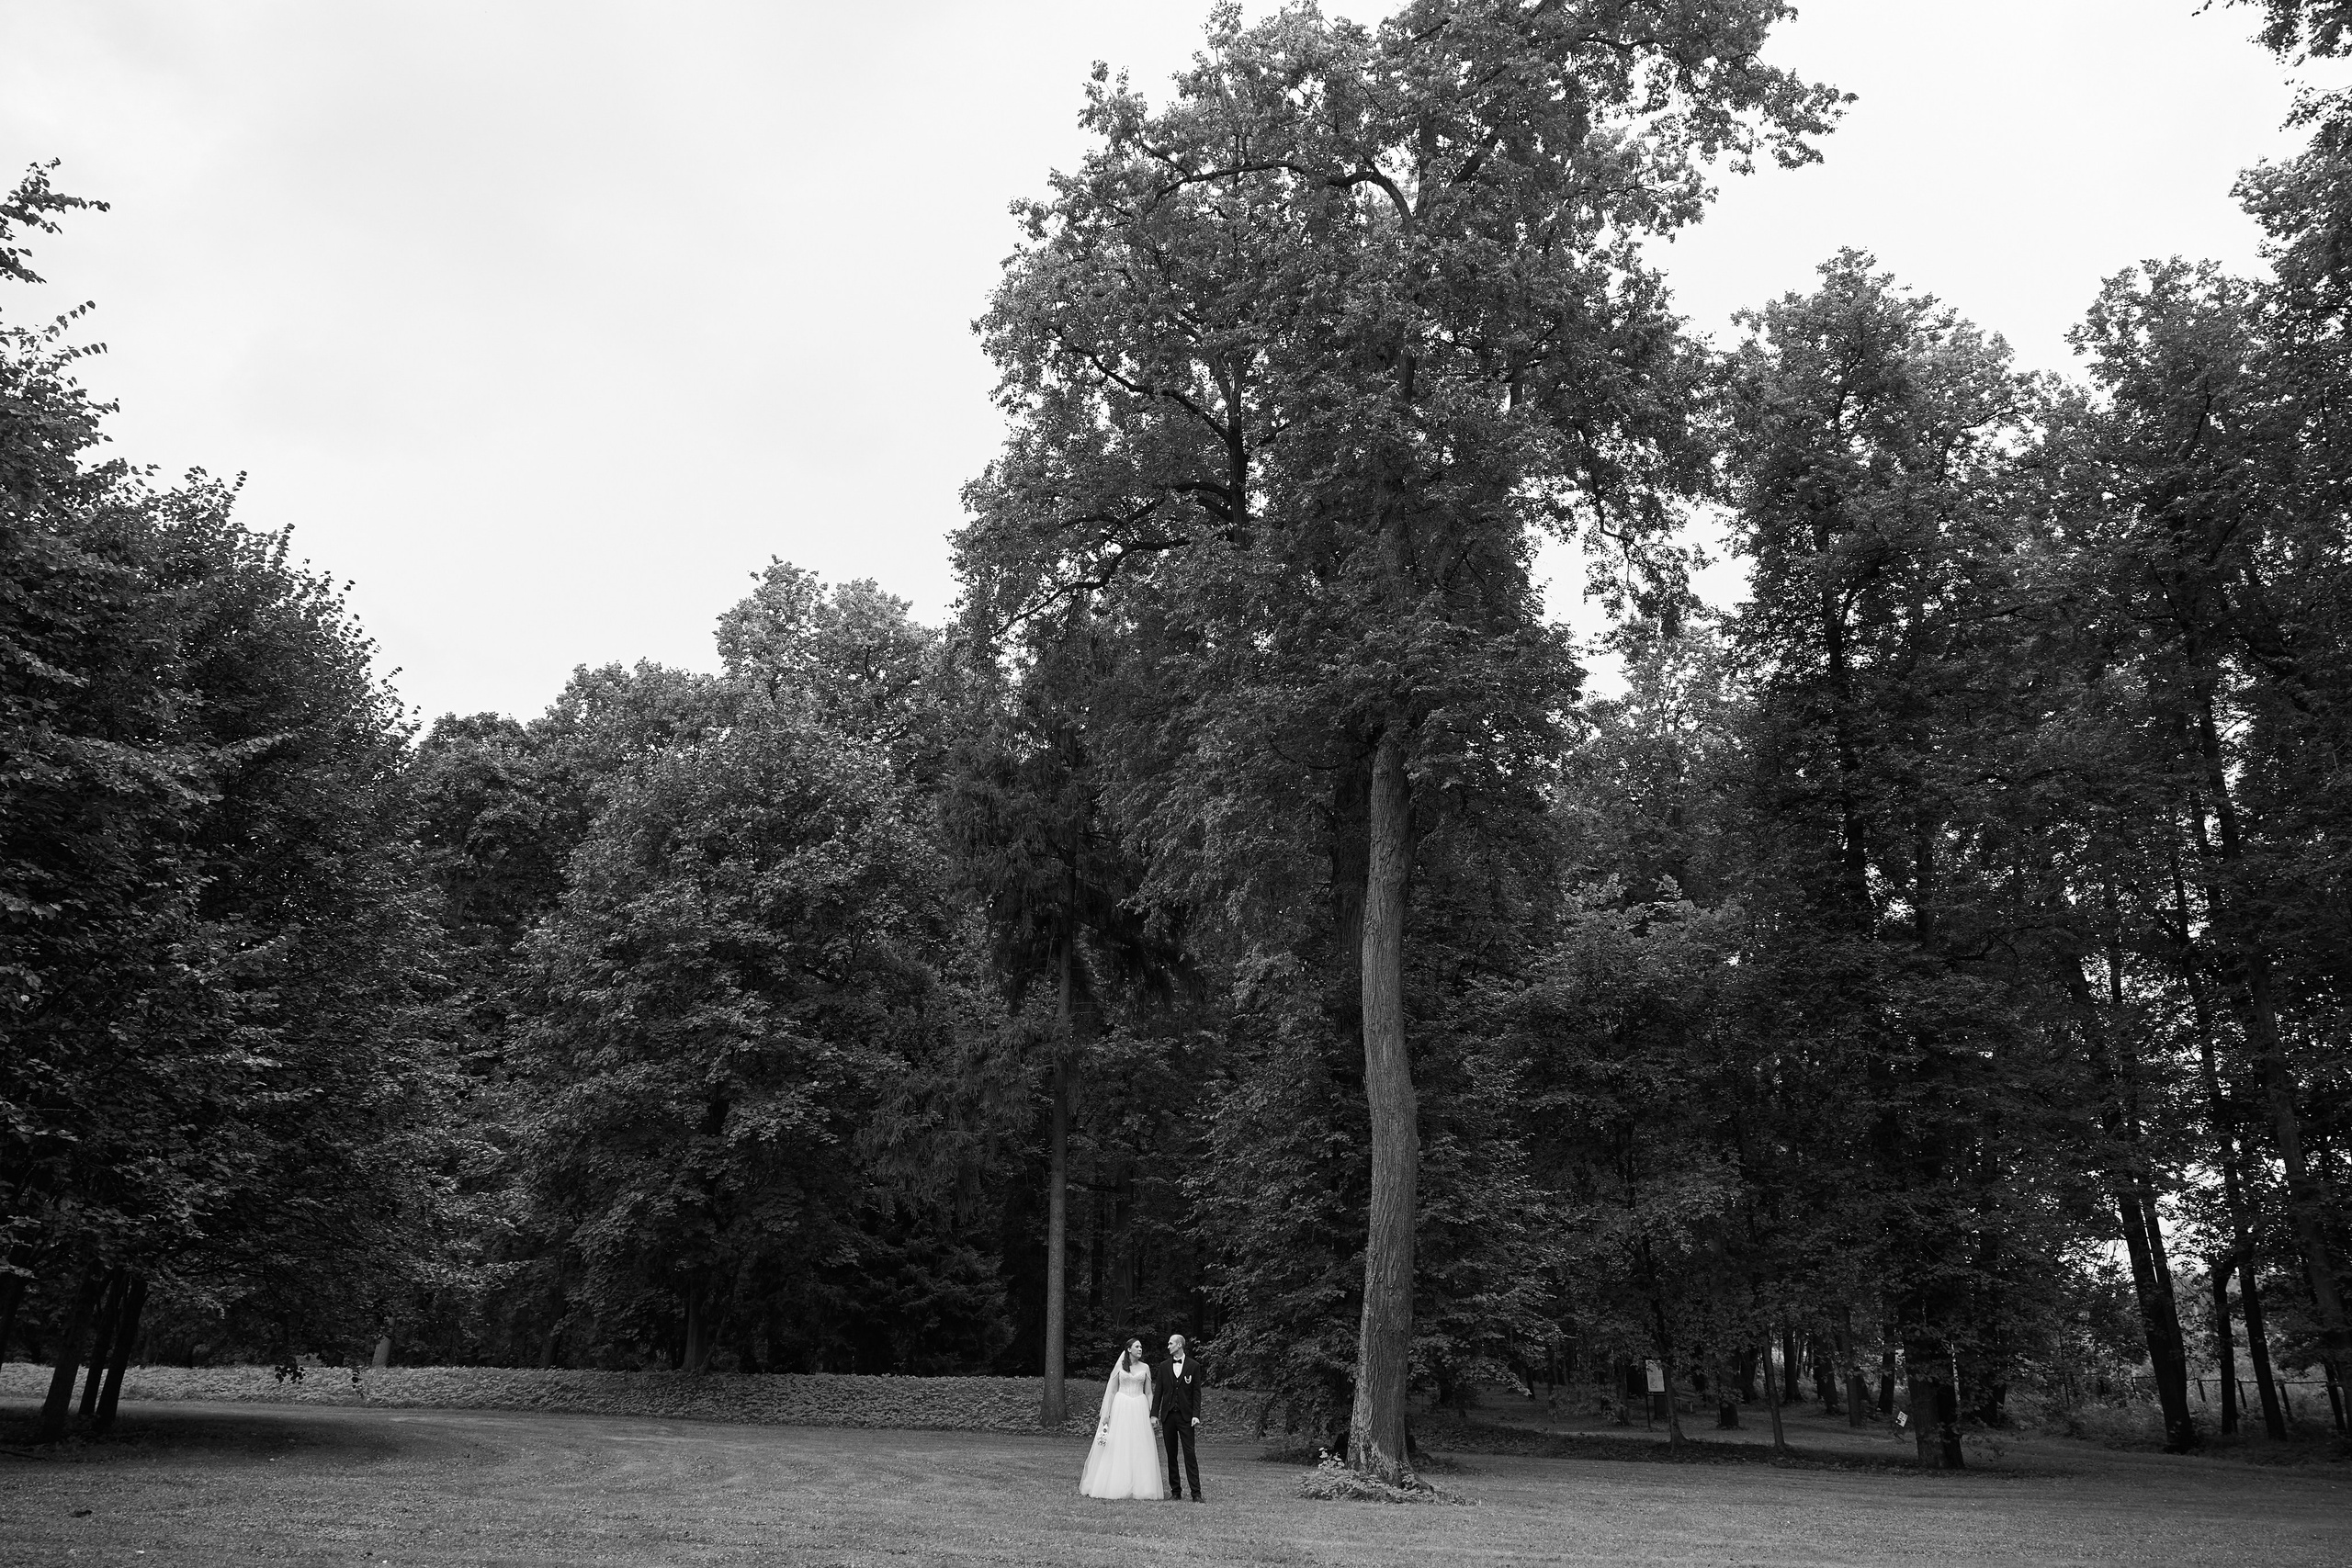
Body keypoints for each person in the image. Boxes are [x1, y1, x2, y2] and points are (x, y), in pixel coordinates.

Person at [1078, 1338, 1167, 1500]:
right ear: (1129, 1349)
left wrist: (1152, 1413)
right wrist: (1106, 1413)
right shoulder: (1119, 1367)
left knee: (1140, 1444)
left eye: (1141, 1346)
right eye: (1137, 1346)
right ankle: (1115, 1484)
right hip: (1121, 1406)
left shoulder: (1145, 1368)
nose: (1140, 1349)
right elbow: (1111, 1392)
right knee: (1119, 1443)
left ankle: (1142, 1486)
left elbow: (1149, 1393)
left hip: (1139, 1406)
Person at [1153, 1332, 1204, 1501]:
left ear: (1179, 1345)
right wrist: (1154, 1414)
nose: (1168, 1346)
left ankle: (1196, 1493)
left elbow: (1196, 1393)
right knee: (1171, 1454)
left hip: (1186, 1417)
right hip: (1168, 1416)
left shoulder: (1194, 1366)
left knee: (1190, 1453)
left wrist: (1196, 1415)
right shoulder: (1164, 1366)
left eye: (1170, 1343)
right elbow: (1159, 1392)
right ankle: (1176, 1491)